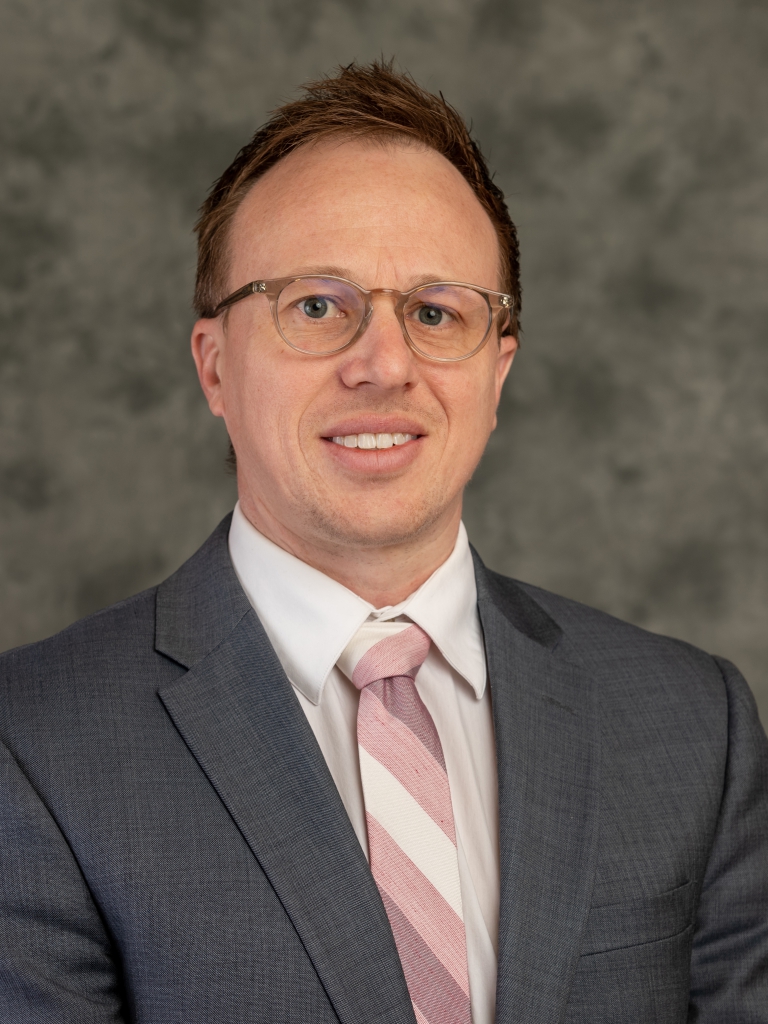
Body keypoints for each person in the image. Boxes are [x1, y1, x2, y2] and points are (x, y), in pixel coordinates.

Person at [1, 61, 766, 1024]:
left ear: (497, 374)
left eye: (436, 312)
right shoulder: (32, 742)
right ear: (215, 367)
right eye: (318, 306)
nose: (385, 364)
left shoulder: (695, 726)